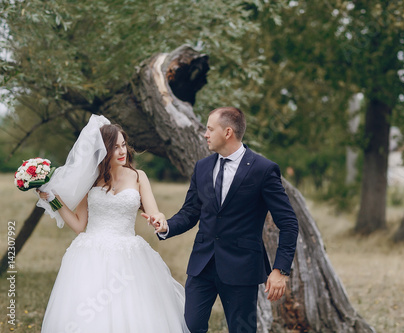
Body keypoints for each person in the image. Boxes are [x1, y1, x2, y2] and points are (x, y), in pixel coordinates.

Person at [146, 106, 299, 333]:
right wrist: (166, 225)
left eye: (210, 129)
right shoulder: (202, 167)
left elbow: (288, 222)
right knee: (189, 327)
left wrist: (280, 270)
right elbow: (190, 212)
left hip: (242, 267)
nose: (205, 134)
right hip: (202, 266)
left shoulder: (263, 170)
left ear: (228, 132)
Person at [38, 116, 189, 332]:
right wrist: (54, 200)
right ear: (102, 151)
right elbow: (80, 225)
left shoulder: (139, 177)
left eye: (123, 145)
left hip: (129, 255)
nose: (122, 151)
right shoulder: (90, 182)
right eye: (115, 147)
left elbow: (154, 211)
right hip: (90, 255)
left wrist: (159, 219)